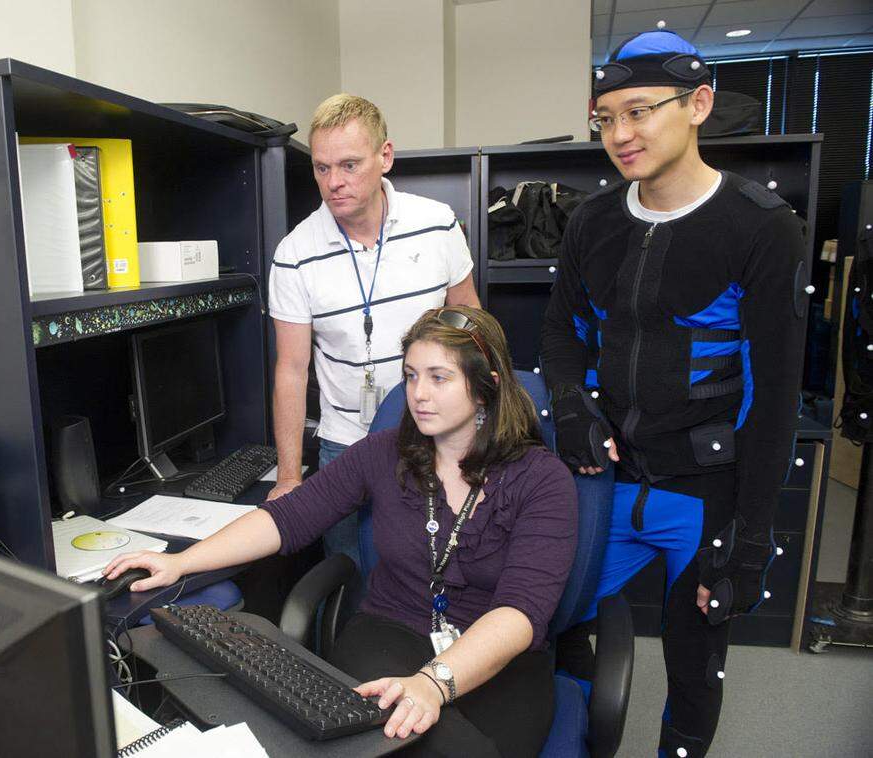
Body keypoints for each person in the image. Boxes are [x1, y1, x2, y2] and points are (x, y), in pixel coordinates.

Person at [104, 306, 576, 757]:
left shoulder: (542, 479)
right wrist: (181, 562)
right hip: (390, 632)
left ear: (486, 387)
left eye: (440, 377)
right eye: (411, 375)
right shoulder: (382, 452)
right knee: (392, 738)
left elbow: (519, 613)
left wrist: (433, 683)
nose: (419, 395)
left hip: (498, 653)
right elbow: (287, 518)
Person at [540, 29, 808, 758]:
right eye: (605, 118)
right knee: (550, 620)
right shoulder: (592, 221)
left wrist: (751, 540)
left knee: (692, 671)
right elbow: (560, 337)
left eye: (640, 111)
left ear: (698, 105)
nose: (621, 134)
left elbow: (776, 399)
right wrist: (568, 401)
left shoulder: (761, 227)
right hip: (612, 481)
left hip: (705, 493)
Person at [267, 94, 481, 579]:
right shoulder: (295, 253)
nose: (334, 182)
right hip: (345, 446)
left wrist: (485, 422)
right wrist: (289, 476)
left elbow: (471, 322)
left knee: (441, 578)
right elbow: (292, 369)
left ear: (385, 156)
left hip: (436, 438)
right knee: (351, 581)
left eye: (349, 165)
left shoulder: (437, 223)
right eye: (322, 169)